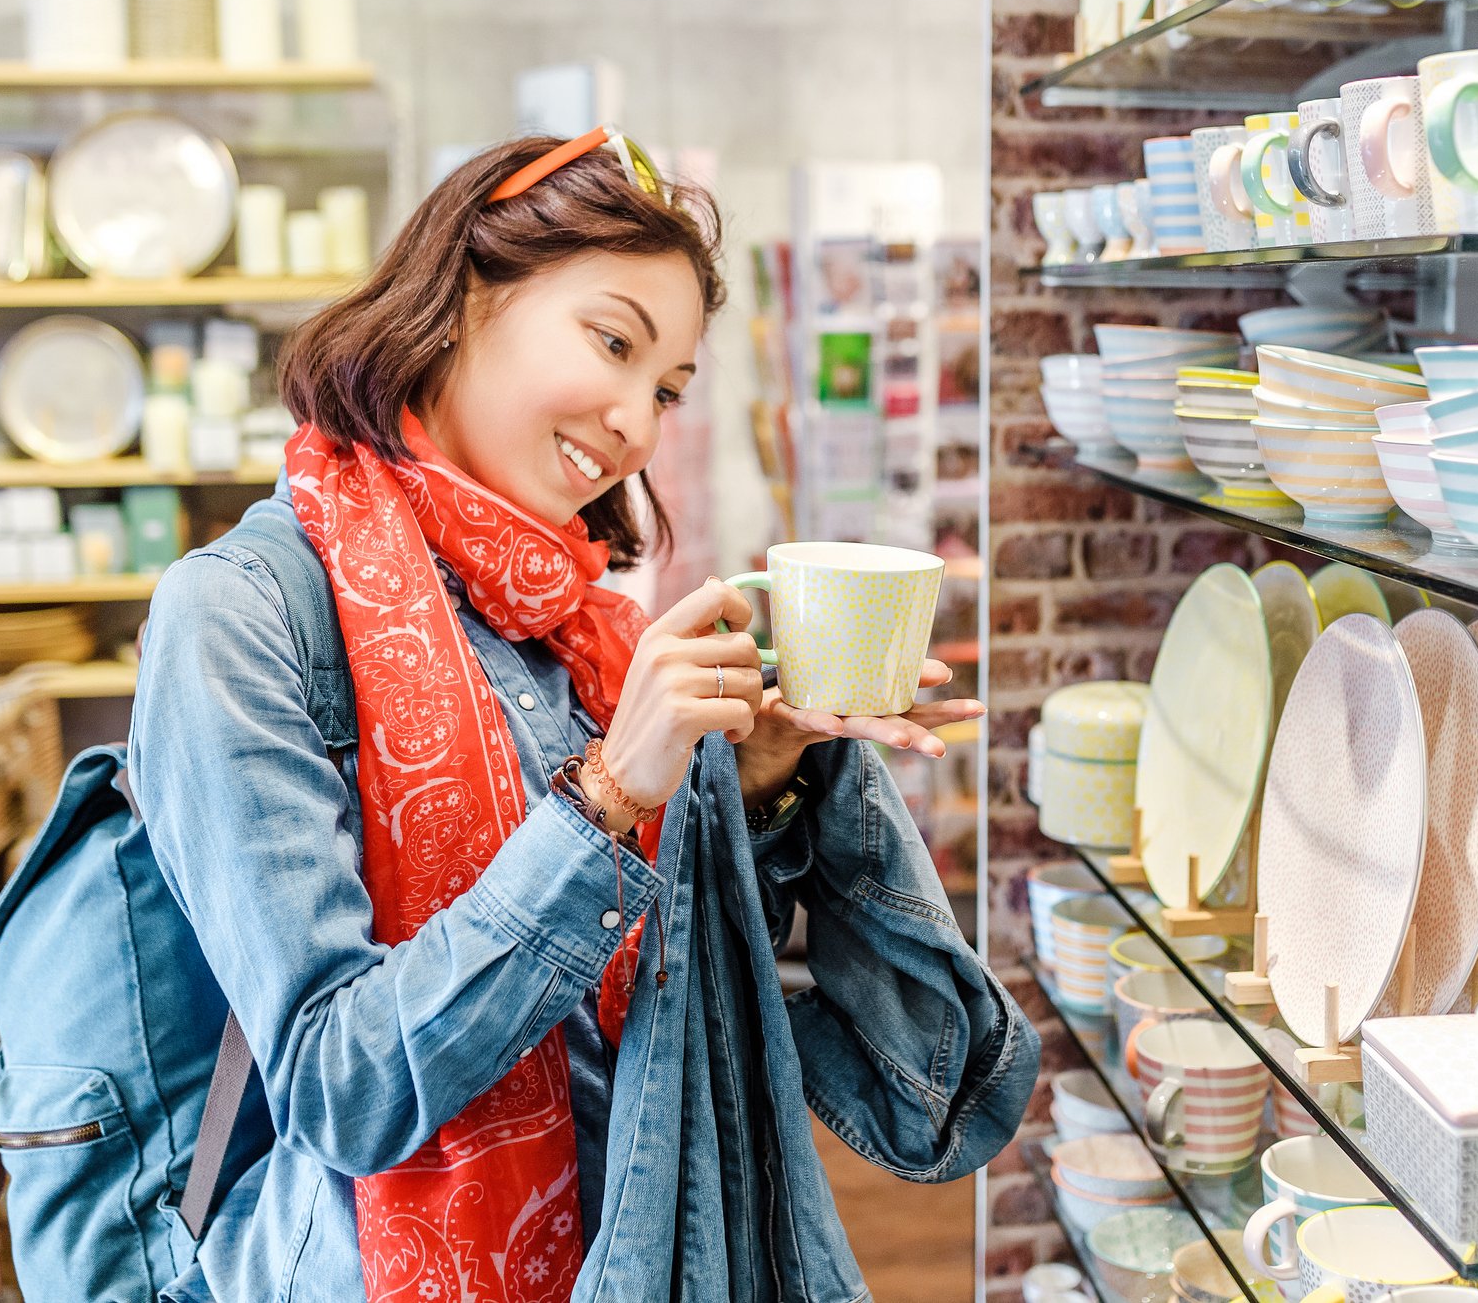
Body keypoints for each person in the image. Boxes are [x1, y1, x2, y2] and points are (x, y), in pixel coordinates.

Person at [125, 130, 1034, 1301]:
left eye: (665, 389)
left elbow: (649, 995)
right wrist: (610, 798)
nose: (638, 427)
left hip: (644, 1248)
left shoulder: (579, 626)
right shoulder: (241, 615)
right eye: (611, 343)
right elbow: (338, 1085)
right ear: (461, 297)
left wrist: (756, 786)